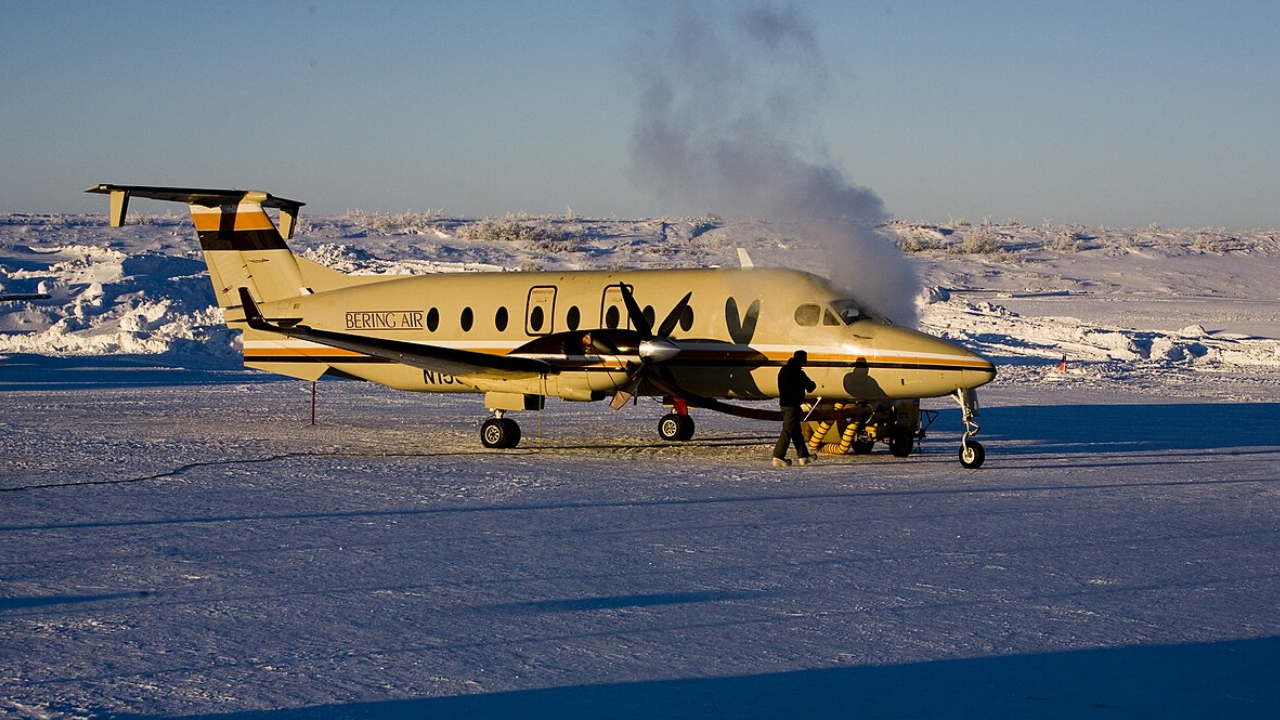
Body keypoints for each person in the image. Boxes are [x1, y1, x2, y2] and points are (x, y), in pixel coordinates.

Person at [773, 350, 817, 467]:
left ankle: (803, 456)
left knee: (796, 431)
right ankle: (778, 456)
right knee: (787, 431)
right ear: (802, 360)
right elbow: (810, 387)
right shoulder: (798, 373)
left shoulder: (784, 370)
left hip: (784, 404)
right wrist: (812, 384)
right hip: (792, 405)